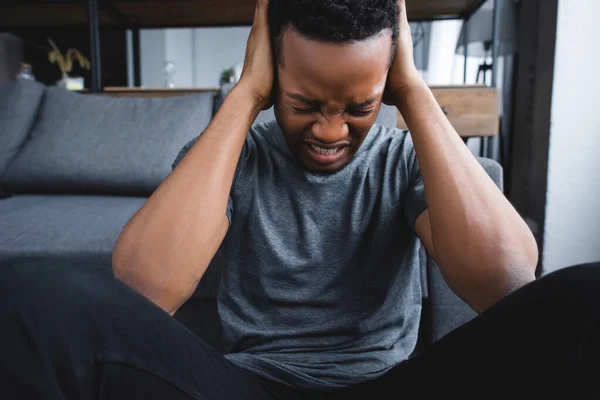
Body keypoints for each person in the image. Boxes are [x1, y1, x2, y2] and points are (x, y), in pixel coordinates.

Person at [1, 0, 598, 398]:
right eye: (305, 103)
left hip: (386, 384)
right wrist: (247, 93)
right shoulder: (235, 157)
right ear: (274, 76)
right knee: (31, 296)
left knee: (586, 297)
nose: (331, 131)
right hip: (250, 386)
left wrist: (414, 91)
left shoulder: (402, 159)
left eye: (359, 107)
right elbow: (140, 289)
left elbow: (507, 282)